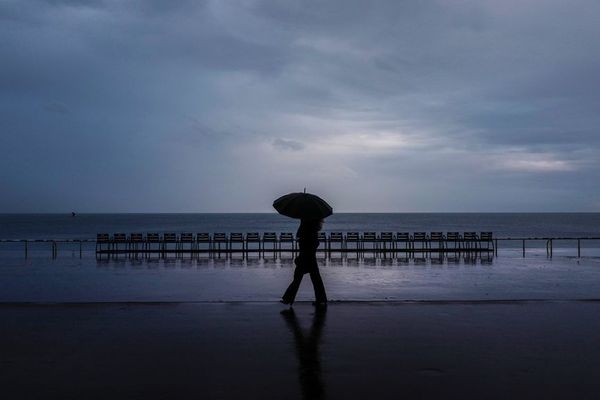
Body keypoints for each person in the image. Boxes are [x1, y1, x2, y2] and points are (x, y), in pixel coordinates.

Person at [281, 218, 327, 306]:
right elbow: (313, 241)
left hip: (306, 253)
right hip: (310, 253)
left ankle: (288, 298)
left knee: (299, 276)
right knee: (314, 277)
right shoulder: (314, 225)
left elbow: (301, 236)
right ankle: (321, 299)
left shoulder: (306, 223)